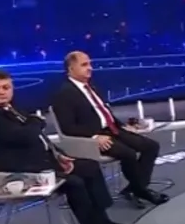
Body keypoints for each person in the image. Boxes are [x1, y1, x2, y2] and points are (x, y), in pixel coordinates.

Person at [0, 69, 133, 224]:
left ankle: (103, 223)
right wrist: (36, 123)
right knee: (74, 183)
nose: (1, 92)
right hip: (18, 171)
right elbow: (27, 134)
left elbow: (37, 136)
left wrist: (59, 155)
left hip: (38, 162)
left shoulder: (11, 108)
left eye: (6, 87)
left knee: (89, 167)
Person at [51, 51, 169, 208]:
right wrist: (94, 137)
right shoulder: (65, 94)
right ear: (71, 69)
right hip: (94, 137)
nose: (90, 68)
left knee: (151, 146)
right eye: (84, 65)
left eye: (90, 64)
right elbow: (67, 127)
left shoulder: (91, 87)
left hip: (112, 130)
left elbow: (104, 113)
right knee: (128, 154)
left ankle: (134, 188)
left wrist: (123, 126)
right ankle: (141, 190)